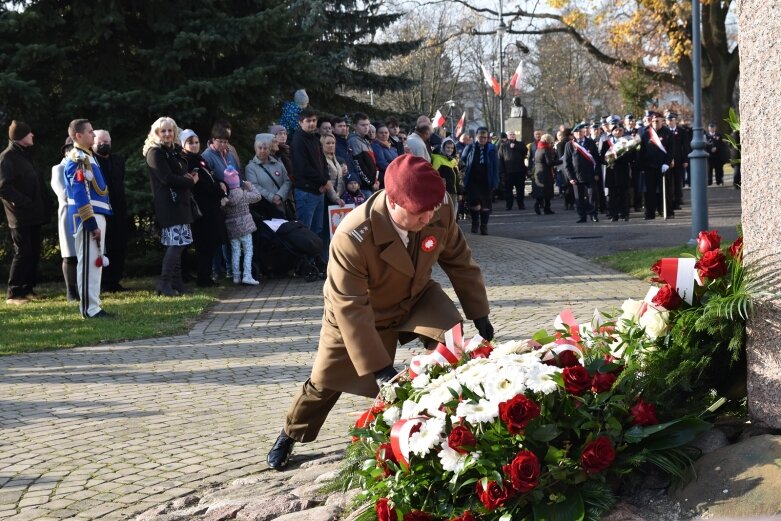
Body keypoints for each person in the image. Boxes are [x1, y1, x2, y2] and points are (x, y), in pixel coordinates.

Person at [265, 154, 494, 470]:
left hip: (415, 297)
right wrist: (380, 369)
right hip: (360, 313)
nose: (428, 217)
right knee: (325, 382)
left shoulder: (437, 208)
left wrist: (478, 312)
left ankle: (452, 426)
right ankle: (290, 434)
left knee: (451, 345)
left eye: (432, 209)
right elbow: (350, 306)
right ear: (394, 202)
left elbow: (460, 260)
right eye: (419, 212)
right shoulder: (353, 234)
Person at [144, 116, 199, 296]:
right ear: (157, 133)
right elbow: (166, 178)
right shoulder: (155, 152)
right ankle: (164, 283)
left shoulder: (174, 151)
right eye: (163, 131)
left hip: (180, 202)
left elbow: (179, 172)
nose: (167, 134)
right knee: (175, 245)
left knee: (180, 243)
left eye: (170, 130)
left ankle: (177, 282)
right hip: (169, 204)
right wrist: (189, 181)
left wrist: (188, 177)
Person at [64, 119, 112, 317]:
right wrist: (91, 223)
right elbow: (79, 192)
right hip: (88, 217)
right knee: (88, 264)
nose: (94, 135)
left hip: (98, 214)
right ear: (78, 136)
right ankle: (88, 309)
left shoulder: (88, 156)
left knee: (95, 263)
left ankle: (95, 305)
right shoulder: (78, 157)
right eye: (90, 132)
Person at [0, 120, 50, 305]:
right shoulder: (7, 157)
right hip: (19, 215)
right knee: (23, 252)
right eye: (29, 133)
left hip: (34, 213)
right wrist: (23, 202)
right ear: (20, 137)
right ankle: (13, 293)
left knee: (34, 251)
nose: (32, 135)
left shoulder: (26, 155)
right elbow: (4, 187)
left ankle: (27, 289)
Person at [180, 129, 229, 287]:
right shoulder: (186, 161)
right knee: (204, 244)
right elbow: (200, 185)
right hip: (202, 208)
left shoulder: (199, 159)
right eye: (190, 143)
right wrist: (219, 190)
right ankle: (204, 278)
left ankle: (206, 276)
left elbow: (211, 176)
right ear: (183, 144)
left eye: (196, 142)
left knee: (211, 242)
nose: (194, 145)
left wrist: (222, 184)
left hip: (211, 206)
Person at [93, 129, 128, 292]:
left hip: (119, 208)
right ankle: (104, 281)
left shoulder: (119, 160)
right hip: (102, 209)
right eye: (100, 142)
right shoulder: (91, 162)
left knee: (119, 245)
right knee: (104, 246)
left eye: (107, 142)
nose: (103, 145)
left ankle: (115, 280)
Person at [291, 107, 330, 242]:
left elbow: (323, 161)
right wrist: (323, 182)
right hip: (306, 191)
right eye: (308, 121)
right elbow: (303, 167)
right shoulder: (298, 140)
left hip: (319, 191)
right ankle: (304, 262)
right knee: (305, 232)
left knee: (317, 230)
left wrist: (326, 180)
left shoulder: (314, 138)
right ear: (301, 122)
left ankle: (313, 261)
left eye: (314, 120)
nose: (312, 123)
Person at [223, 168, 262, 285]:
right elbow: (258, 196)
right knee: (248, 251)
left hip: (232, 229)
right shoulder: (244, 195)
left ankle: (236, 276)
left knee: (235, 251)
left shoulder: (226, 198)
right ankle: (247, 275)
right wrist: (250, 186)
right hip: (245, 228)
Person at [51, 137, 79, 301]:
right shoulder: (59, 169)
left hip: (84, 213)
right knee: (70, 255)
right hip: (68, 215)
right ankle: (71, 291)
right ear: (66, 151)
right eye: (72, 149)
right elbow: (63, 193)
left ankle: (85, 287)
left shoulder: (84, 166)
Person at [460, 127, 499, 235]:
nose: (482, 139)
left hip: (486, 180)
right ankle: (475, 223)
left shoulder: (492, 148)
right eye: (480, 137)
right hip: (473, 181)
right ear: (476, 137)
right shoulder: (469, 147)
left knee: (486, 205)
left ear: (487, 138)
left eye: (485, 137)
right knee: (475, 203)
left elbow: (496, 166)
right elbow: (462, 162)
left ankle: (484, 226)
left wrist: (495, 181)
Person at [246, 133, 294, 220]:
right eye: (260, 148)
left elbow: (287, 181)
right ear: (255, 149)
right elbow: (254, 186)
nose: (262, 151)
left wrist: (280, 195)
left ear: (269, 149)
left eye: (265, 148)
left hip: (282, 205)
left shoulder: (278, 164)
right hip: (265, 208)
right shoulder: (251, 168)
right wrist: (272, 198)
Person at [636, 112, 673, 220]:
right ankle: (649, 213)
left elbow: (671, 150)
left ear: (662, 121)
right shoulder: (646, 132)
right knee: (649, 191)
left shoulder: (667, 133)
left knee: (665, 190)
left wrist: (667, 163)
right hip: (649, 166)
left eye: (657, 121)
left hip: (663, 167)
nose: (655, 123)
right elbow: (641, 151)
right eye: (653, 121)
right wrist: (641, 166)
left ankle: (666, 211)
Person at [564, 123, 601, 223]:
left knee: (592, 196)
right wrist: (571, 177)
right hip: (576, 176)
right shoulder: (569, 145)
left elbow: (596, 159)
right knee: (579, 198)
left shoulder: (590, 142)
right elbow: (566, 162)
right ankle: (582, 216)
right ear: (573, 134)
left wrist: (597, 173)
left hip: (590, 175)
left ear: (584, 132)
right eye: (576, 132)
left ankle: (593, 214)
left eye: (580, 131)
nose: (579, 133)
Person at [600, 120, 633, 222]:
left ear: (623, 132)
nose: (618, 132)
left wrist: (621, 155)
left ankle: (625, 214)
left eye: (620, 130)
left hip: (623, 171)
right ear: (612, 132)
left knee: (624, 194)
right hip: (611, 171)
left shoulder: (627, 143)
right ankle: (613, 214)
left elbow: (632, 157)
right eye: (616, 130)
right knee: (612, 195)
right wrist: (610, 159)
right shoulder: (606, 143)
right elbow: (601, 158)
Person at [347, 112, 379, 197]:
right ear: (354, 126)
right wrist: (370, 183)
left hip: (371, 184)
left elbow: (373, 163)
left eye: (368, 125)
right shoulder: (354, 141)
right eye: (363, 125)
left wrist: (375, 180)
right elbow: (359, 165)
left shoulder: (365, 140)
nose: (366, 128)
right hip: (364, 187)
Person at [498, 130, 528, 210]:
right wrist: (502, 172)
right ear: (507, 136)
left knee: (520, 189)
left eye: (513, 134)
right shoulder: (503, 145)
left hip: (520, 171)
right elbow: (500, 159)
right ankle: (509, 205)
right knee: (508, 190)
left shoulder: (520, 144)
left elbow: (525, 151)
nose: (512, 135)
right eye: (510, 134)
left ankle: (521, 204)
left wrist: (515, 147)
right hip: (508, 171)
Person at [665, 113, 690, 210]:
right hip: (668, 161)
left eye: (672, 120)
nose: (670, 122)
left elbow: (685, 147)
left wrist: (685, 160)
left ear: (675, 121)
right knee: (669, 182)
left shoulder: (681, 131)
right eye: (668, 120)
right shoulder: (665, 131)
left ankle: (677, 201)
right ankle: (669, 202)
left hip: (679, 160)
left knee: (677, 182)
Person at [532, 134, 561, 215]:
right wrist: (560, 161)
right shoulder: (546, 150)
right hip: (546, 173)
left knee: (540, 191)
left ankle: (538, 204)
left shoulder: (538, 149)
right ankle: (547, 209)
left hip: (538, 172)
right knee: (547, 192)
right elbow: (549, 163)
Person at [430, 136, 461, 205]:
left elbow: (457, 178)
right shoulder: (438, 159)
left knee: (453, 214)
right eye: (448, 147)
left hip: (454, 193)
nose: (450, 150)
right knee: (445, 214)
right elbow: (434, 177)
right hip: (444, 193)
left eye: (452, 148)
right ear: (443, 147)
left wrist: (460, 192)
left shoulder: (453, 161)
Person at [371, 124, 398, 188]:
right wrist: (395, 170)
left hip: (395, 176)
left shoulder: (392, 147)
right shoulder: (376, 146)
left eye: (386, 132)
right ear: (376, 134)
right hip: (385, 178)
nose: (384, 134)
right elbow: (381, 163)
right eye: (381, 133)